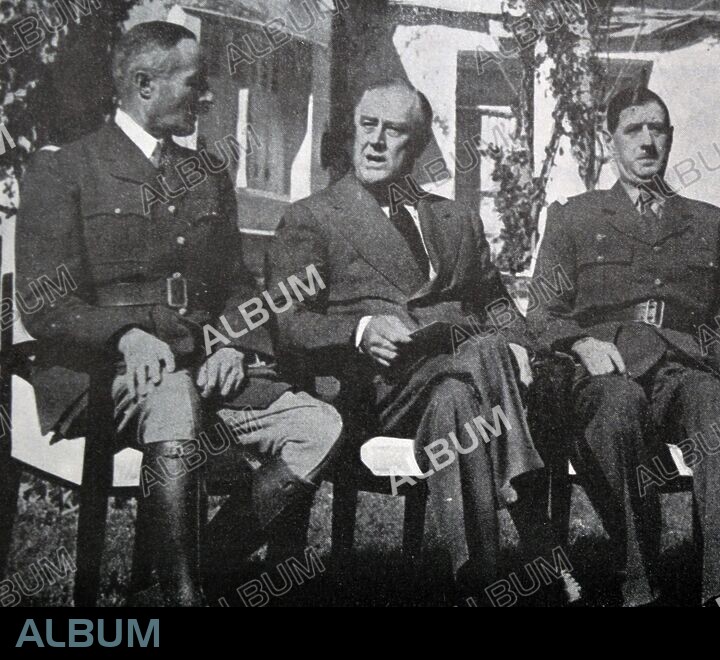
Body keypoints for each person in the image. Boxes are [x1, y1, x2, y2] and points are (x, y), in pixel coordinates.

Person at [15, 21, 343, 606]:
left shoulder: (207, 176)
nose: (208, 96)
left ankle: (199, 570)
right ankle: (183, 598)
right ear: (145, 84)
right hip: (103, 377)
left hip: (197, 366)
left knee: (319, 425)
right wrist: (126, 336)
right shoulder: (64, 169)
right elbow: (44, 301)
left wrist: (234, 345)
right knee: (173, 397)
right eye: (195, 84)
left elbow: (238, 285)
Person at [267, 79, 576, 603]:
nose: (375, 142)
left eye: (395, 132)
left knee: (462, 391)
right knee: (483, 353)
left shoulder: (455, 219)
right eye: (368, 126)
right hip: (375, 389)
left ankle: (477, 580)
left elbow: (498, 306)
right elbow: (288, 322)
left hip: (456, 385)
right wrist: (359, 332)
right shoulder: (312, 217)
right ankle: (537, 534)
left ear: (421, 146)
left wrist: (518, 342)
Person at [530, 86, 720, 606]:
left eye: (657, 129)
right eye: (633, 130)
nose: (647, 142)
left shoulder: (712, 223)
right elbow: (541, 314)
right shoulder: (574, 217)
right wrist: (580, 342)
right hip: (606, 368)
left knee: (718, 417)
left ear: (672, 139)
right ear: (608, 139)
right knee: (616, 412)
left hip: (684, 368)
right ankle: (639, 585)